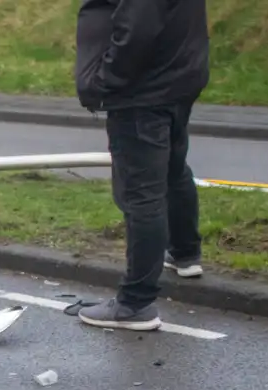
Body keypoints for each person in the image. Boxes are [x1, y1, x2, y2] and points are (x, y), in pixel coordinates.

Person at [74, 0, 209, 331]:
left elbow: (137, 27)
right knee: (174, 170)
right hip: (179, 78)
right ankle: (185, 253)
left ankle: (135, 303)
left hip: (142, 92)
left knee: (141, 195)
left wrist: (103, 81)